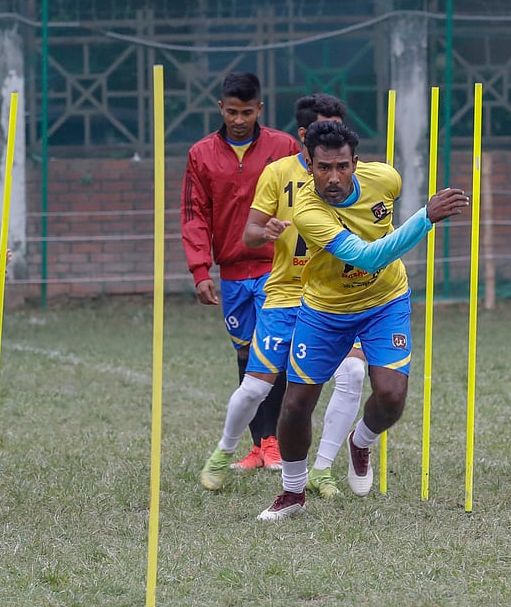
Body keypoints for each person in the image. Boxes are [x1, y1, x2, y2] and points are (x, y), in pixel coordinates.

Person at [257, 121, 468, 521]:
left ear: (356, 163)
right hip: (326, 310)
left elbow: (381, 237)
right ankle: (293, 492)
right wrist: (426, 216)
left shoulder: (386, 178)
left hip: (385, 301)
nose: (333, 177)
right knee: (296, 404)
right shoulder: (307, 209)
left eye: (341, 166)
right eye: (322, 168)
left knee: (391, 396)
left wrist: (416, 217)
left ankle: (360, 440)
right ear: (310, 166)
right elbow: (369, 256)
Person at [198, 94, 367, 500]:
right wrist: (267, 229)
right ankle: (223, 452)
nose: (334, 140)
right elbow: (249, 234)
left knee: (354, 374)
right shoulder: (278, 174)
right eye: (325, 132)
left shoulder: (358, 176)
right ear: (306, 138)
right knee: (256, 388)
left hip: (337, 296)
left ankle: (322, 469)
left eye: (340, 132)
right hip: (287, 294)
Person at [181, 72, 298, 472]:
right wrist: (200, 269)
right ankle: (257, 445)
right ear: (220, 108)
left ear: (260, 109)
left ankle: (275, 443)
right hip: (231, 271)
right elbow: (195, 213)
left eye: (247, 112)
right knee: (245, 354)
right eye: (232, 111)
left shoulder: (284, 147)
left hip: (276, 267)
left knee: (274, 353)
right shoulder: (201, 154)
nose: (239, 119)